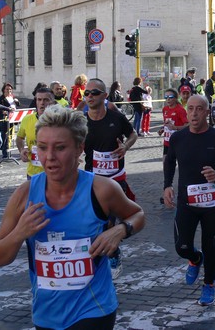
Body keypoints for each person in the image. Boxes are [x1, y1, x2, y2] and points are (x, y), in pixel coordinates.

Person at [0, 105, 145, 330]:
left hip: (94, 308)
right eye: (42, 148)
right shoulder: (24, 195)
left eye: (60, 148)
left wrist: (120, 230)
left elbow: (138, 214)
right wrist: (19, 234)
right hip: (47, 314)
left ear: (79, 148)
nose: (50, 157)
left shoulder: (101, 189)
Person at [163, 95, 215, 306]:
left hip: (212, 204)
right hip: (186, 203)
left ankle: (209, 285)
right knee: (182, 247)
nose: (194, 113)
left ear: (207, 112)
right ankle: (195, 259)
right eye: (190, 109)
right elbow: (169, 163)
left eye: (199, 109)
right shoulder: (178, 138)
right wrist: (167, 185)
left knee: (210, 246)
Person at [83, 78, 139, 278]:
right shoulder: (81, 122)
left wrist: (125, 146)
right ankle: (104, 254)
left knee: (109, 224)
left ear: (105, 96)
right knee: (96, 223)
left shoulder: (116, 117)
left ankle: (113, 253)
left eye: (94, 93)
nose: (89, 96)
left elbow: (133, 135)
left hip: (115, 179)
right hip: (92, 180)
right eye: (86, 93)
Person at [16, 88, 56, 180]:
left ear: (52, 102)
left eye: (46, 100)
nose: (42, 103)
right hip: (33, 174)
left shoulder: (60, 120)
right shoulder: (27, 119)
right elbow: (19, 138)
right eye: (39, 99)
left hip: (54, 173)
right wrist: (21, 150)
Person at [160, 88, 188, 161]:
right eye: (166, 97)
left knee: (182, 165)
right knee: (166, 164)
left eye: (171, 97)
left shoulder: (180, 110)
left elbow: (188, 126)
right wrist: (162, 129)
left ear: (176, 98)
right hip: (167, 141)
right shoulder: (165, 109)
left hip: (179, 141)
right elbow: (167, 123)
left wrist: (175, 128)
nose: (168, 99)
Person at [0, 83, 21, 159]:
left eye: (10, 89)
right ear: (3, 90)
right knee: (4, 136)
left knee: (10, 136)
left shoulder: (12, 98)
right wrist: (3, 112)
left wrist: (17, 102)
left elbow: (17, 106)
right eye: (7, 89)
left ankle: (8, 152)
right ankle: (5, 153)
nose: (9, 91)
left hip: (12, 119)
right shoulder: (1, 98)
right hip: (4, 120)